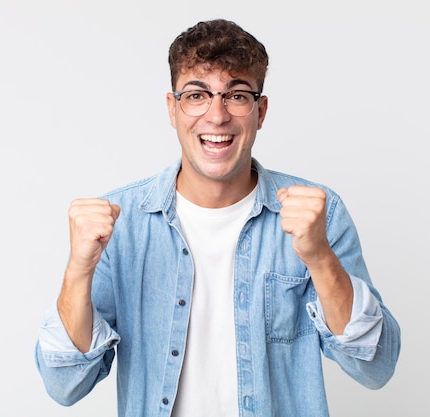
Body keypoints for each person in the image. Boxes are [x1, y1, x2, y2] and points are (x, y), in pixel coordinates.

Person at [35, 18, 401, 417]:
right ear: (172, 110)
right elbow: (65, 385)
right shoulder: (120, 224)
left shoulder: (319, 214)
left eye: (236, 95)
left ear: (260, 112)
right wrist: (78, 269)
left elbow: (374, 367)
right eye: (196, 95)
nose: (216, 115)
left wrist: (319, 257)